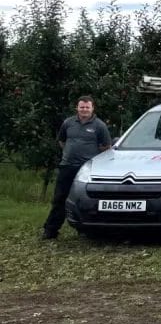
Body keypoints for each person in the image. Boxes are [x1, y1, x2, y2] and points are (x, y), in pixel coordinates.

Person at [41, 96, 112, 240]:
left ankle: (85, 229)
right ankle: (51, 230)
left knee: (85, 199)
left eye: (87, 107)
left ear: (92, 108)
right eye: (82, 107)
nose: (84, 110)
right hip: (67, 167)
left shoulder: (99, 126)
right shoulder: (68, 123)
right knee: (59, 199)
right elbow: (62, 141)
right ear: (77, 108)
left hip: (86, 170)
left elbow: (106, 147)